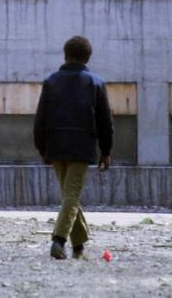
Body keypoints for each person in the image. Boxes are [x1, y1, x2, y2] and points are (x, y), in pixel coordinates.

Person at [34, 35, 113, 260]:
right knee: (71, 195)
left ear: (65, 55)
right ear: (87, 58)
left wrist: (42, 149)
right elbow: (105, 122)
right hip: (81, 148)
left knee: (68, 196)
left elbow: (40, 120)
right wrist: (106, 151)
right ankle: (58, 241)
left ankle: (78, 246)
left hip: (56, 146)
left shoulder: (51, 82)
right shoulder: (96, 83)